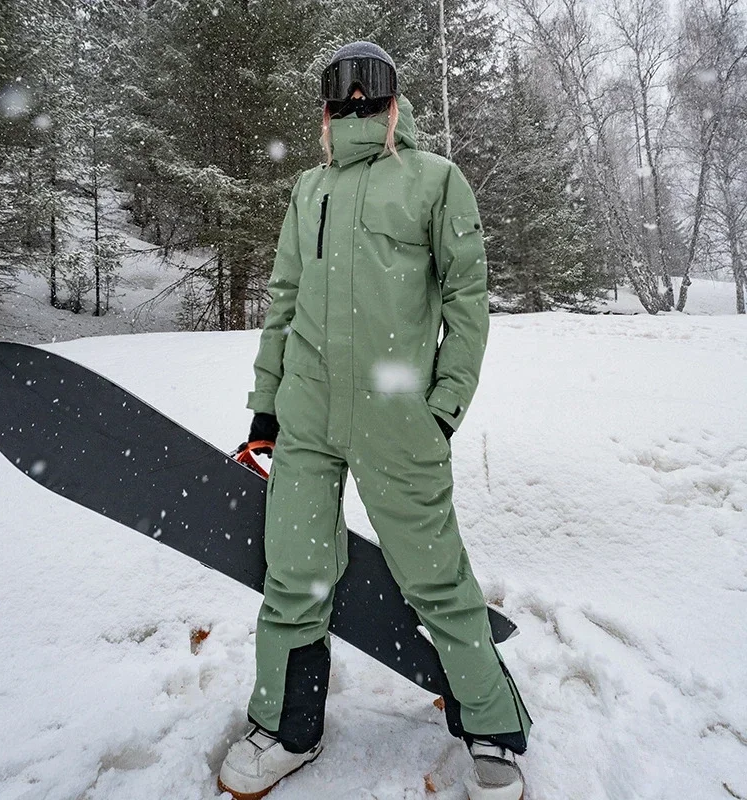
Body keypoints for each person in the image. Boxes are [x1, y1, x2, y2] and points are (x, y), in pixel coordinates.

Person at [218, 41, 532, 800]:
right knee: (292, 575)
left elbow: (467, 303)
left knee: (436, 578)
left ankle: (490, 725)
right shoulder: (308, 189)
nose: (354, 102)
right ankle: (287, 725)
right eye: (340, 93)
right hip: (306, 418)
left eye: (369, 89)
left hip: (399, 422)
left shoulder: (435, 181)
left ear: (394, 101)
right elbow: (283, 304)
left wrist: (443, 409)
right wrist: (266, 405)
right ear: (325, 111)